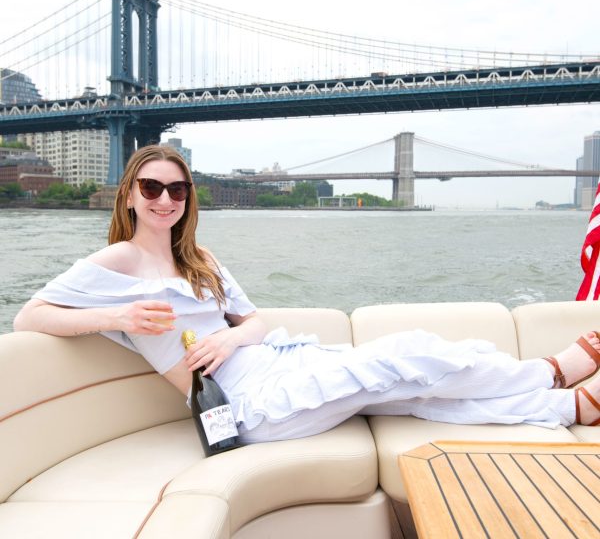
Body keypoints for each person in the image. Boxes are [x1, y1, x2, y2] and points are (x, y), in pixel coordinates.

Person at [13, 145, 600, 444]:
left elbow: (256, 322)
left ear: (188, 195)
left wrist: (231, 337)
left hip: (275, 364)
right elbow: (29, 317)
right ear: (131, 195)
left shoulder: (200, 259)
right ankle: (549, 373)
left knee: (410, 384)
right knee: (399, 362)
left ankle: (567, 407)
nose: (165, 199)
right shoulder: (117, 260)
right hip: (245, 406)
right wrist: (118, 316)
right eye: (152, 187)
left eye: (178, 188)